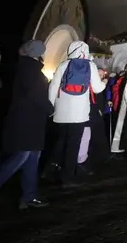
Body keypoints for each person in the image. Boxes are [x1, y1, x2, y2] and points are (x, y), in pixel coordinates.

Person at [0, 40, 52, 209]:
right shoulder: (29, 68)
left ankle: (29, 196)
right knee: (19, 158)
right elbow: (35, 94)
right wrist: (50, 108)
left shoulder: (28, 67)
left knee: (32, 159)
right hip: (26, 122)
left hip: (31, 122)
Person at [48, 41, 105, 186]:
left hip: (61, 113)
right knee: (73, 145)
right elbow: (97, 89)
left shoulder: (63, 65)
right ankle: (67, 177)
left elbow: (53, 87)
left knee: (61, 141)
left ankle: (51, 170)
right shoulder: (90, 66)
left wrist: (51, 106)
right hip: (79, 114)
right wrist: (104, 81)